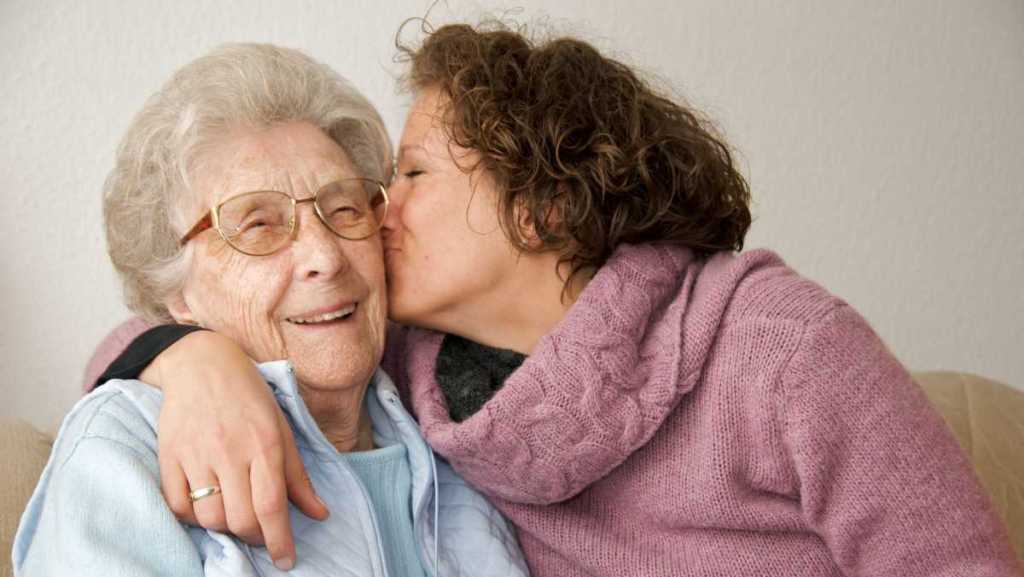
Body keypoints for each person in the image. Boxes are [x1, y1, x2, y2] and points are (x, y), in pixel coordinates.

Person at [87, 23, 1020, 576]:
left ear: (538, 206)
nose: (371, 214)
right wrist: (192, 360)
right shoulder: (412, 371)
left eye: (407, 173)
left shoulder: (779, 348)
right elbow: (185, 300)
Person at [13, 42, 528, 577]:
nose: (324, 258)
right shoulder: (128, 448)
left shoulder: (457, 426)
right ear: (178, 292)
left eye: (345, 208)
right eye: (257, 224)